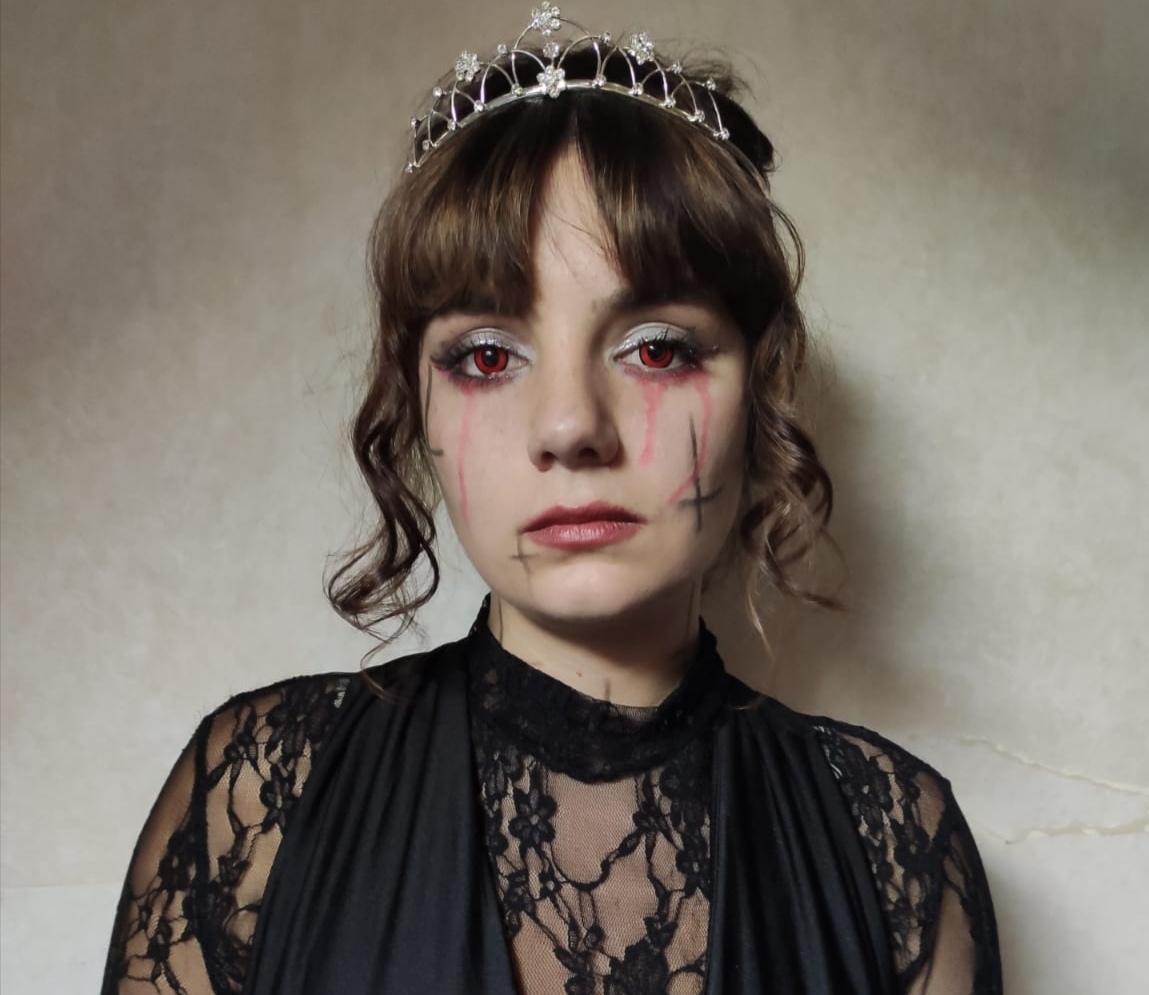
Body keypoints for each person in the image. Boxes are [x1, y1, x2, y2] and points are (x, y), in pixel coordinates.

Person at [102, 6, 1001, 994]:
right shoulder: (260, 794)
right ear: (417, 403)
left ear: (759, 390)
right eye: (488, 356)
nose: (571, 425)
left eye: (656, 348)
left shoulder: (890, 839)